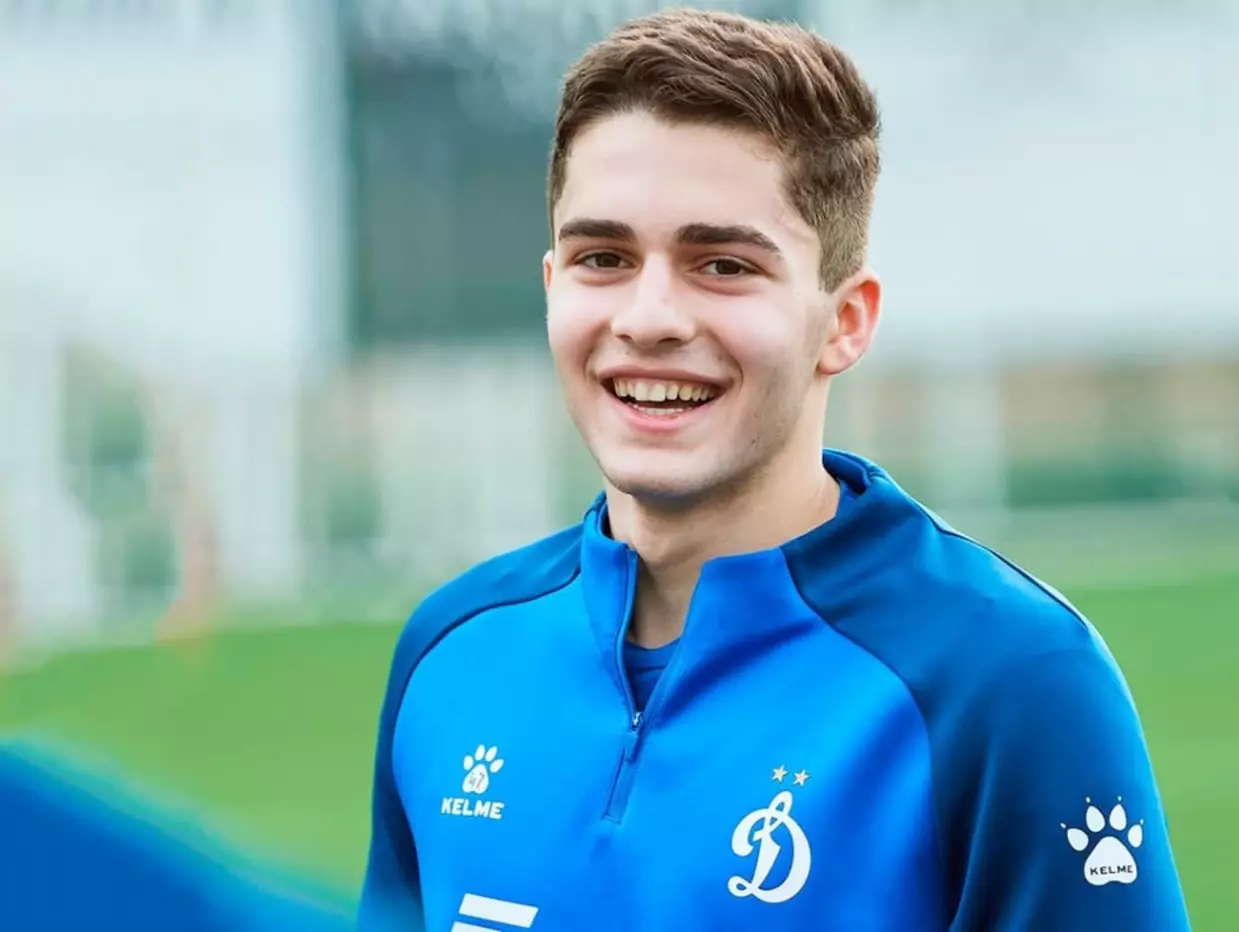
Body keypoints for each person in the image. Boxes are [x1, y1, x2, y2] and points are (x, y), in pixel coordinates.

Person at [357, 8, 1192, 931]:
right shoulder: (453, 653)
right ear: (553, 287)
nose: (649, 318)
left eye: (722, 264)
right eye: (604, 258)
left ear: (845, 321)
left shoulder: (1008, 680)